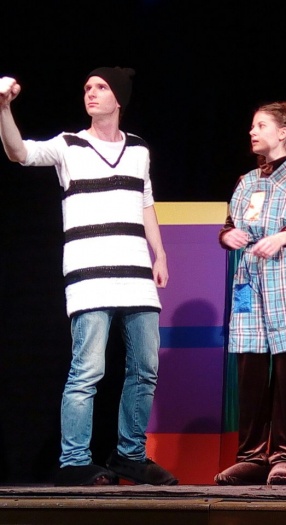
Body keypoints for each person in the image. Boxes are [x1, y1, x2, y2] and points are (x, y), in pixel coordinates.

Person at [0, 68, 178, 486]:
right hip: (89, 276)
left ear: (119, 98)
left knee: (145, 367)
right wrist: (4, 108)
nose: (91, 93)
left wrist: (160, 253)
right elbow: (19, 152)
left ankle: (130, 455)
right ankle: (75, 459)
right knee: (88, 370)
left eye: (101, 87)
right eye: (87, 88)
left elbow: (145, 201)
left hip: (136, 274)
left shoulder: (138, 149)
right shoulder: (69, 145)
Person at [214, 101, 286, 486]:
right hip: (248, 281)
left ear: (282, 133)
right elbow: (229, 225)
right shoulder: (245, 180)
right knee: (251, 370)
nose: (252, 131)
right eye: (252, 125)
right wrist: (228, 236)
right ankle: (251, 456)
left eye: (260, 125)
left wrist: (282, 237)